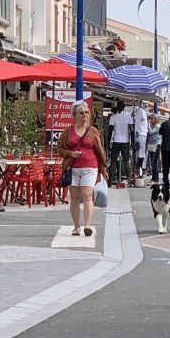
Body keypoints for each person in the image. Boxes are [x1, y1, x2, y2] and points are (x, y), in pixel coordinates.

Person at [58, 100, 108, 237]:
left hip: (90, 167)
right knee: (74, 197)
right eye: (81, 113)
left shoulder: (93, 131)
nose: (85, 115)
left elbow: (99, 150)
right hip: (73, 167)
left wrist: (103, 169)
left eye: (87, 112)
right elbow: (60, 148)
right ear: (74, 115)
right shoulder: (68, 131)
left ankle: (87, 225)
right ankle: (76, 226)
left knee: (87, 195)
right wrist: (70, 153)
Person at [108, 100, 133, 186]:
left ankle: (110, 181)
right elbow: (131, 130)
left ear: (117, 108)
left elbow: (110, 131)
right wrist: (132, 142)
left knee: (113, 161)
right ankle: (129, 180)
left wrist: (107, 142)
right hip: (125, 141)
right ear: (124, 107)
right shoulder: (128, 117)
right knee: (126, 161)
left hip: (116, 141)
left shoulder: (113, 118)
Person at [134, 101, 148, 178]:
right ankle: (140, 170)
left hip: (140, 134)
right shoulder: (141, 111)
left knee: (140, 152)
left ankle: (139, 169)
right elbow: (142, 120)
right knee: (141, 153)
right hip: (141, 134)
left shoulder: (140, 111)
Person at [147, 114, 161, 184]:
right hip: (151, 144)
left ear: (155, 119)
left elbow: (151, 132)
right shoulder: (152, 125)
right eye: (150, 118)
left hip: (156, 145)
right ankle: (154, 178)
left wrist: (148, 124)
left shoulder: (157, 126)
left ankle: (155, 179)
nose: (151, 120)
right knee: (152, 162)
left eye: (152, 118)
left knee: (154, 162)